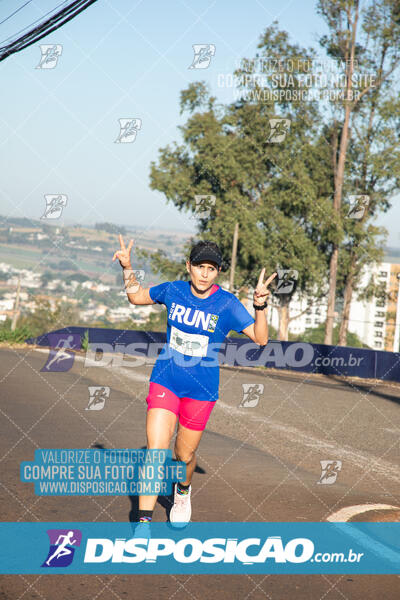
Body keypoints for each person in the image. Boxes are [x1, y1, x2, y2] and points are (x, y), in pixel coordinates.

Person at [112, 235, 276, 532]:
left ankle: (183, 491)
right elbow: (136, 296)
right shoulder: (173, 290)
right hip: (166, 380)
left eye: (211, 268)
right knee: (156, 450)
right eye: (199, 266)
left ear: (218, 272)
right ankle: (143, 524)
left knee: (183, 455)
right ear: (188, 266)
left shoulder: (226, 303)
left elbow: (261, 339)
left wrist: (259, 306)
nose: (204, 272)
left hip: (201, 390)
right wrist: (127, 266)